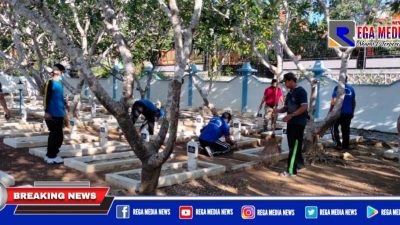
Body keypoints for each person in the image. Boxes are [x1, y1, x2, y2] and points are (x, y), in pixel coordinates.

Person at [275, 72, 308, 177]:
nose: (285, 84)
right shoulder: (289, 93)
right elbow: (286, 107)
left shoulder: (301, 91)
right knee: (293, 145)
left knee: (293, 146)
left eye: (285, 82)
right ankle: (300, 165)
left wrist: (291, 115)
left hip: (298, 123)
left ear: (291, 81)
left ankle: (291, 171)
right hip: (291, 123)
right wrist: (278, 110)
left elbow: (304, 107)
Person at [44, 63, 68, 164]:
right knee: (55, 135)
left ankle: (53, 154)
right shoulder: (50, 82)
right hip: (52, 113)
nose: (62, 74)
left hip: (60, 113)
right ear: (57, 72)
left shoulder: (59, 84)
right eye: (62, 72)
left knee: (58, 136)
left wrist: (66, 104)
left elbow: (59, 97)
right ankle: (50, 156)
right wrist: (46, 111)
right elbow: (46, 97)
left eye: (63, 72)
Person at [329, 76, 356, 150]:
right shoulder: (351, 88)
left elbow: (333, 101)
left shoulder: (337, 88)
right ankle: (345, 146)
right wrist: (352, 112)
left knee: (334, 128)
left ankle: (338, 144)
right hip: (348, 113)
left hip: (337, 113)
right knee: (346, 130)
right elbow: (353, 101)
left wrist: (330, 112)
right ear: (347, 80)